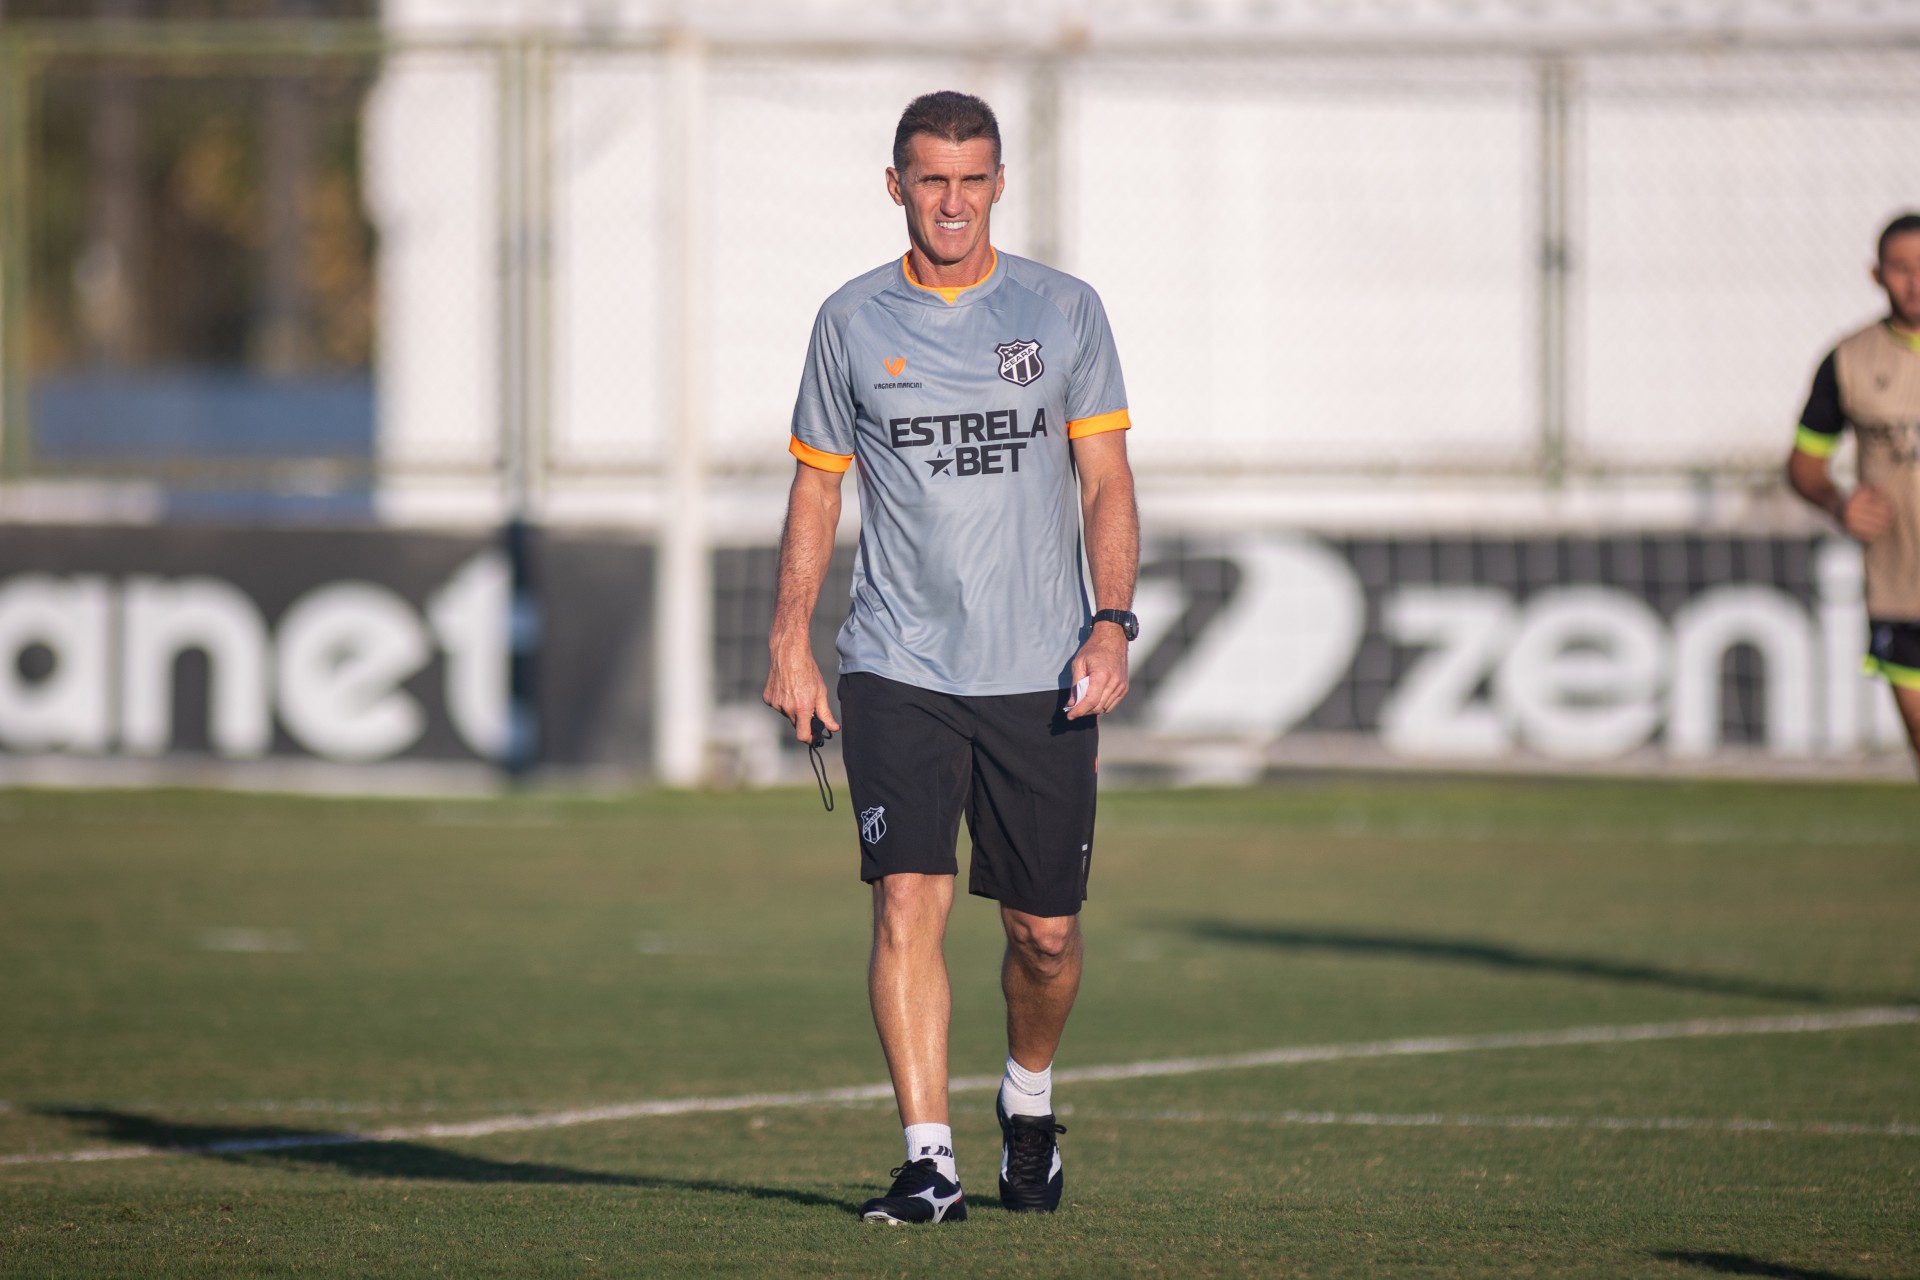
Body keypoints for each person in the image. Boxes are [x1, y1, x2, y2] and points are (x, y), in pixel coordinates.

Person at [762, 90, 1140, 1224]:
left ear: (999, 184)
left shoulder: (1063, 310)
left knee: (1046, 932)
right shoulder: (849, 320)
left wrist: (1112, 618)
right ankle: (929, 1159)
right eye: (932, 179)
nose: (954, 202)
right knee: (906, 901)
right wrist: (791, 633)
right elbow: (817, 483)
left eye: (973, 178)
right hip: (897, 660)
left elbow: (1107, 480)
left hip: (1039, 667)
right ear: (897, 188)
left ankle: (1029, 1102)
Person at [1787, 211, 1920, 770]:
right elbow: (1803, 467)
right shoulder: (1848, 361)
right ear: (1877, 274)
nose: (1915, 282)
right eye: (1901, 268)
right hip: (1903, 592)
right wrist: (1840, 503)